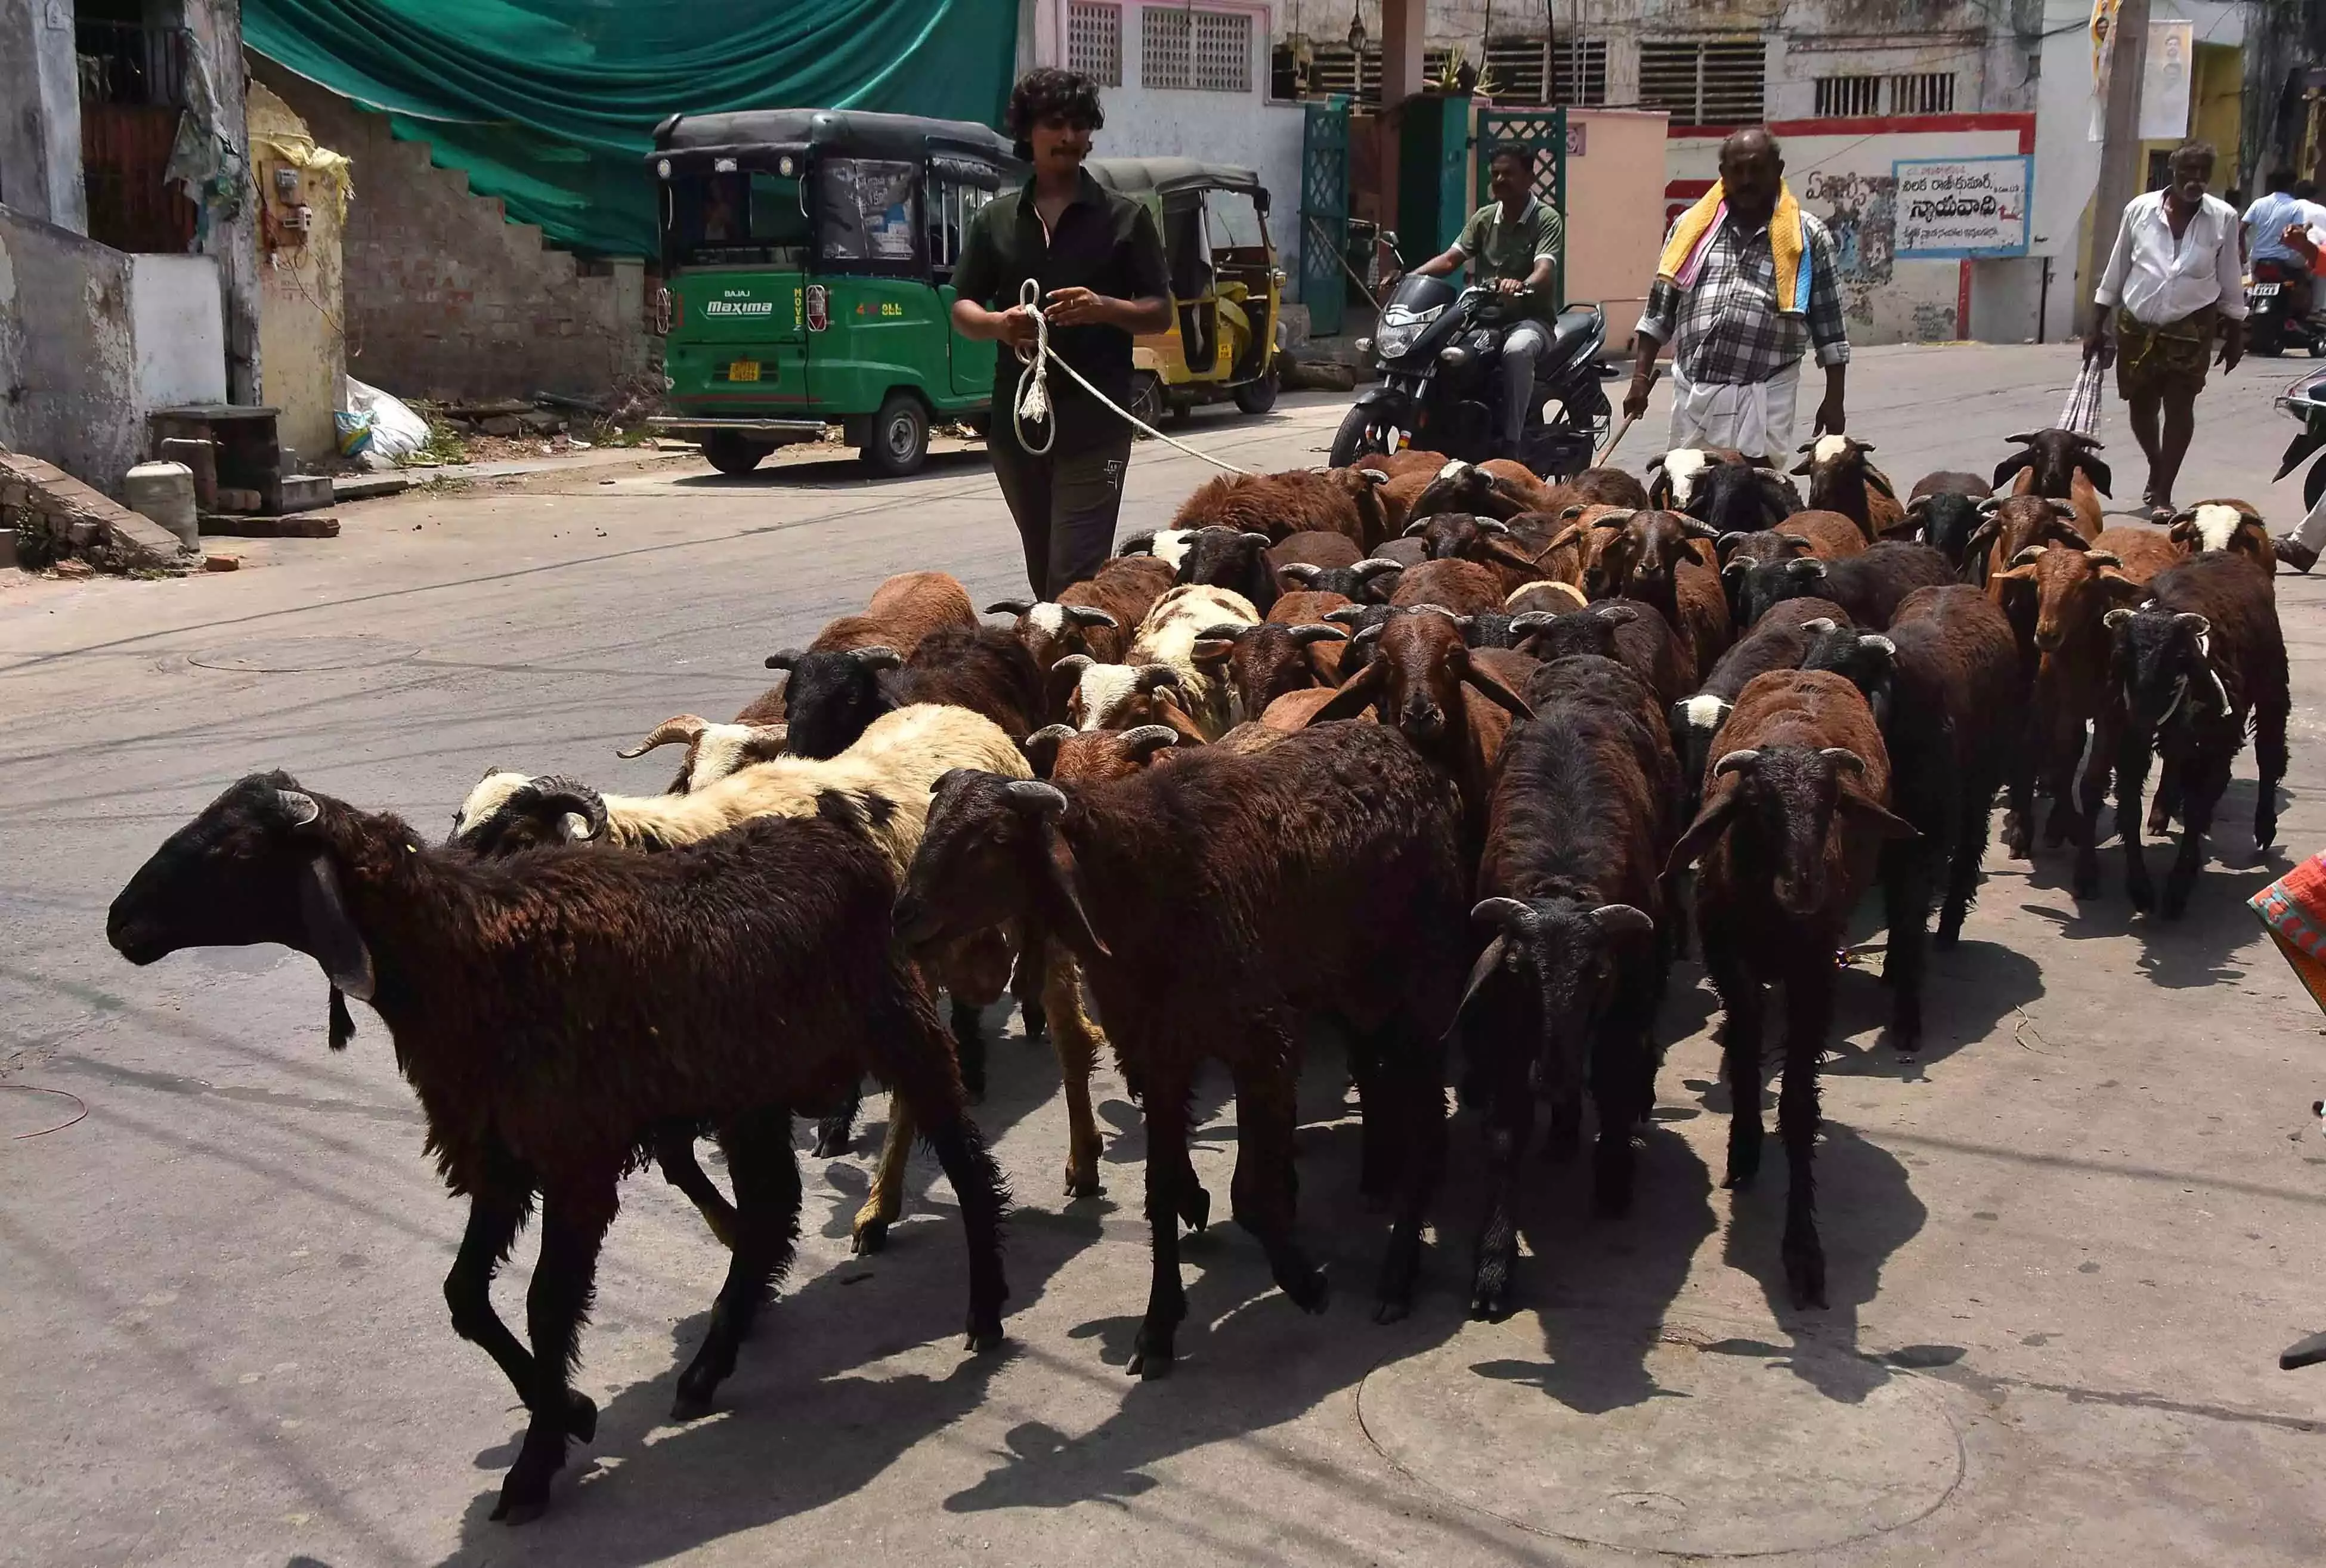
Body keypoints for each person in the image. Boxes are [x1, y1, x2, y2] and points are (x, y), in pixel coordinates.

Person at [950, 68, 1171, 600]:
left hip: (1096, 427)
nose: (1069, 137)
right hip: (1017, 428)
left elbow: (1160, 312)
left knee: (1073, 578)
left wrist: (1104, 308)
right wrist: (1001, 326)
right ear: (1028, 131)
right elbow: (962, 307)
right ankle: (1068, 668)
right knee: (1044, 572)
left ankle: (1069, 677)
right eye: (1055, 124)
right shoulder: (996, 221)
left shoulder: (1125, 219)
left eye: (1078, 125)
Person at [1624, 128, 1849, 466]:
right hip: (1695, 395)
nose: (1747, 179)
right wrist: (1639, 380)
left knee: (1755, 503)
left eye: (1757, 169)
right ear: (1723, 175)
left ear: (1778, 169)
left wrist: (1835, 399)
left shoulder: (1808, 237)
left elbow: (1831, 330)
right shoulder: (1689, 228)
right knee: (1687, 502)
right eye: (1738, 170)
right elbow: (1658, 313)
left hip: (1765, 397)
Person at [2084, 140, 2246, 522]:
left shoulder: (2222, 217)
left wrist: (2237, 332)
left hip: (2190, 328)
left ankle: (2164, 491)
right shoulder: (2139, 210)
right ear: (2171, 173)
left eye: (2203, 173)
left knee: (2179, 407)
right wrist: (2096, 324)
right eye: (2187, 172)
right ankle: (2156, 463)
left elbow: (2230, 278)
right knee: (2141, 407)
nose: (2195, 180)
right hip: (2137, 327)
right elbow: (2117, 267)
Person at [1409, 144, 1565, 460]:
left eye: (1509, 173)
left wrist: (1522, 285)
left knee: (1518, 351)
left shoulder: (1546, 219)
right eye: (1495, 173)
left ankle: (1512, 442)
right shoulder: (1484, 218)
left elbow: (1544, 269)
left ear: (1529, 177)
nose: (1500, 179)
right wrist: (1410, 276)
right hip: (1483, 318)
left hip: (1530, 320)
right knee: (1444, 350)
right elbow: (1452, 259)